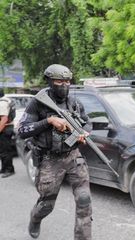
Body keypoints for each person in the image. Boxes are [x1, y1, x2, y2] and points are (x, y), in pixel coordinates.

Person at [18, 64, 92, 239]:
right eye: (59, 81)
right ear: (50, 82)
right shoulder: (38, 103)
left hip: (73, 156)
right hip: (49, 160)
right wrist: (49, 121)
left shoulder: (74, 102)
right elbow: (22, 130)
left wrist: (84, 133)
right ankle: (35, 219)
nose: (64, 85)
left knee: (84, 200)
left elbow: (87, 122)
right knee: (46, 205)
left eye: (67, 81)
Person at [0, 88, 15, 178]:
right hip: (6, 128)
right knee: (3, 150)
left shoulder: (2, 103)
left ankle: (9, 169)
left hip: (5, 128)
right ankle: (4, 168)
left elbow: (4, 119)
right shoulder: (6, 100)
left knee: (5, 151)